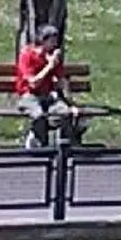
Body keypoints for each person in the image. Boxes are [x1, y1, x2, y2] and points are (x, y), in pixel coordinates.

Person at [14, 22, 77, 151]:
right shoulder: (27, 55)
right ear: (43, 41)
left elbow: (61, 81)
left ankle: (64, 147)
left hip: (47, 96)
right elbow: (33, 83)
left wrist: (71, 104)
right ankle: (40, 144)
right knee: (39, 115)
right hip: (29, 96)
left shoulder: (53, 57)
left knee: (65, 113)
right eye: (52, 41)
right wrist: (49, 67)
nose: (55, 44)